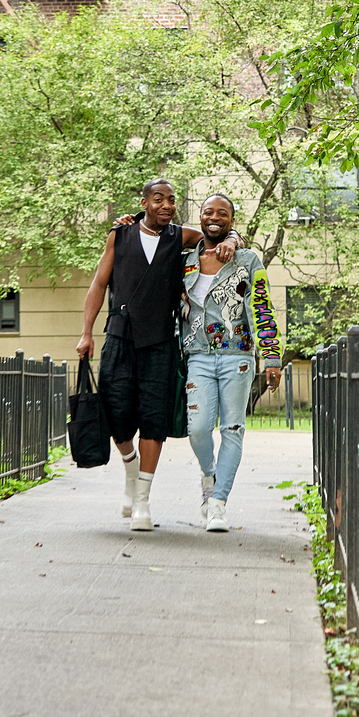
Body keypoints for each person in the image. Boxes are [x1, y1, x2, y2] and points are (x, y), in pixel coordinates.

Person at [76, 180, 236, 532]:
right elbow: (98, 284)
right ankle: (131, 473)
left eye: (172, 200)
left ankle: (143, 502)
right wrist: (87, 332)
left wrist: (232, 239)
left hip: (160, 341)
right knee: (116, 413)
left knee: (153, 419)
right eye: (158, 199)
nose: (167, 205)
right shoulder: (120, 236)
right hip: (119, 336)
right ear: (144, 202)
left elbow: (217, 232)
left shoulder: (180, 237)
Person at [180, 195, 280, 533]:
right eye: (209, 212)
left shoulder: (248, 260)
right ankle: (209, 477)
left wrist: (272, 356)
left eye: (222, 214)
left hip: (238, 357)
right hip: (198, 357)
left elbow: (262, 307)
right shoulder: (185, 262)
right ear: (200, 217)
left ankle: (218, 503)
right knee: (197, 428)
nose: (214, 217)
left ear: (231, 220)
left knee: (232, 430)